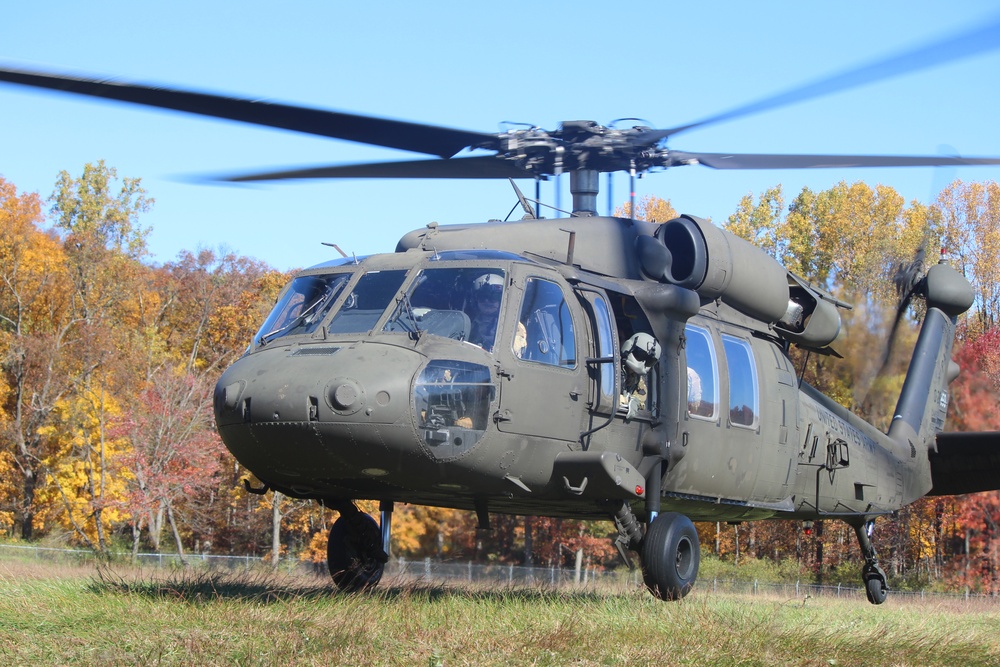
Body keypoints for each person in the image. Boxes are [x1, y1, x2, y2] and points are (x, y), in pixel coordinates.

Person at [620, 332, 660, 421]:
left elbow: (641, 396)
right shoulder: (609, 369)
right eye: (640, 355)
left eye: (650, 361)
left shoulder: (637, 379)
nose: (643, 363)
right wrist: (624, 400)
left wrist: (635, 402)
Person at [467, 273, 503, 351]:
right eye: (482, 296)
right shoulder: (468, 323)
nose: (487, 301)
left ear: (501, 300)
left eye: (493, 297)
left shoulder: (512, 328)